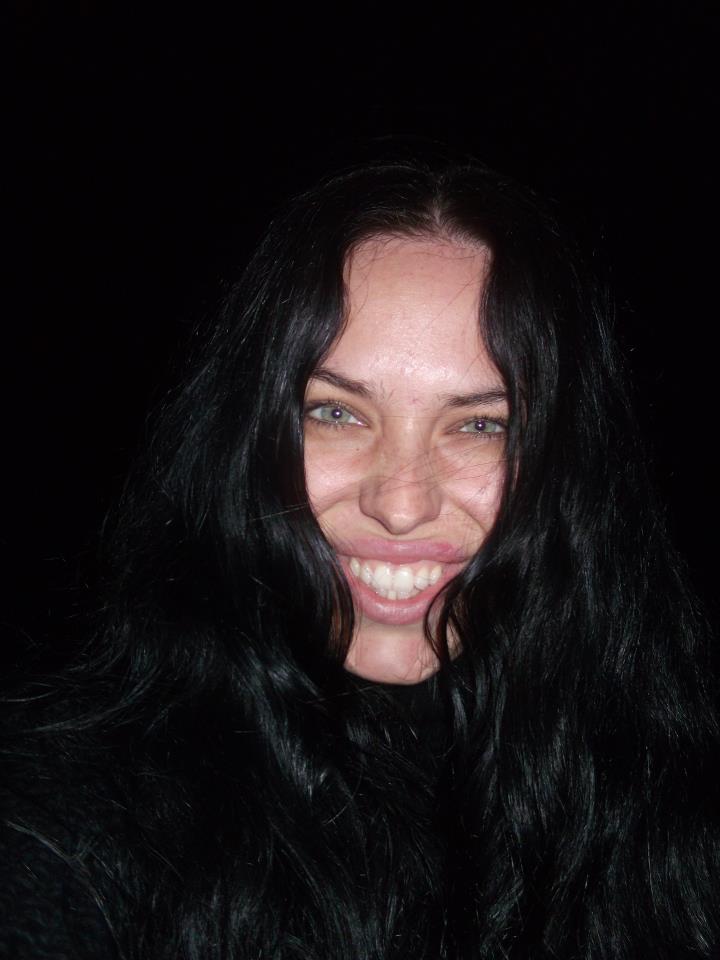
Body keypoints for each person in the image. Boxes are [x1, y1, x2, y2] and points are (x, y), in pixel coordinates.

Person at [1, 155, 718, 959]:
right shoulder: (73, 816)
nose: (400, 504)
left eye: (481, 425)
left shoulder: (663, 794)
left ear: (571, 470)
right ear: (243, 437)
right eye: (336, 413)